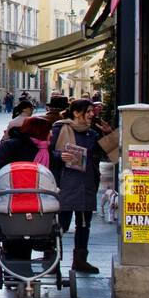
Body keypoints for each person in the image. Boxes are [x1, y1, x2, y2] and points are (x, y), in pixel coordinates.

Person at [51, 99, 116, 274]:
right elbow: (47, 152)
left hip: (86, 183)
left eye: (91, 111)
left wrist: (108, 135)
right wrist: (60, 155)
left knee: (84, 224)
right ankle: (52, 261)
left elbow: (110, 155)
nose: (91, 114)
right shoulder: (60, 128)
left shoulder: (92, 133)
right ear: (76, 112)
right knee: (60, 225)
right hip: (65, 184)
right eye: (88, 111)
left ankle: (80, 261)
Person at [0, 115, 60, 261]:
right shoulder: (11, 146)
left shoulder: (48, 152)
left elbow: (52, 175)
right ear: (39, 131)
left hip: (39, 204)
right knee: (15, 240)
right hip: (13, 201)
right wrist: (0, 187)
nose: (51, 134)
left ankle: (22, 273)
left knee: (36, 234)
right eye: (49, 130)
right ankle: (19, 274)